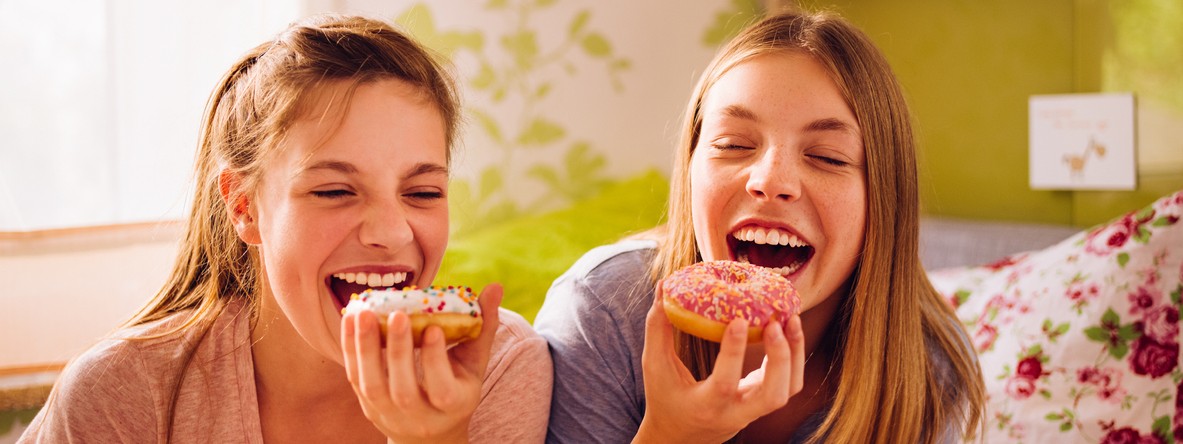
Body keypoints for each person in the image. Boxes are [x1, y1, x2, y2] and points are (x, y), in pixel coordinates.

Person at [20, 14, 551, 443]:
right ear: (245, 206)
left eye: (422, 193)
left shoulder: (499, 368)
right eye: (335, 191)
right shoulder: (126, 394)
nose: (391, 233)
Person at [535, 8, 984, 444]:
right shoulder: (602, 311)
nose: (770, 181)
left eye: (827, 156)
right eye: (732, 144)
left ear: (885, 198)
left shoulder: (928, 364)